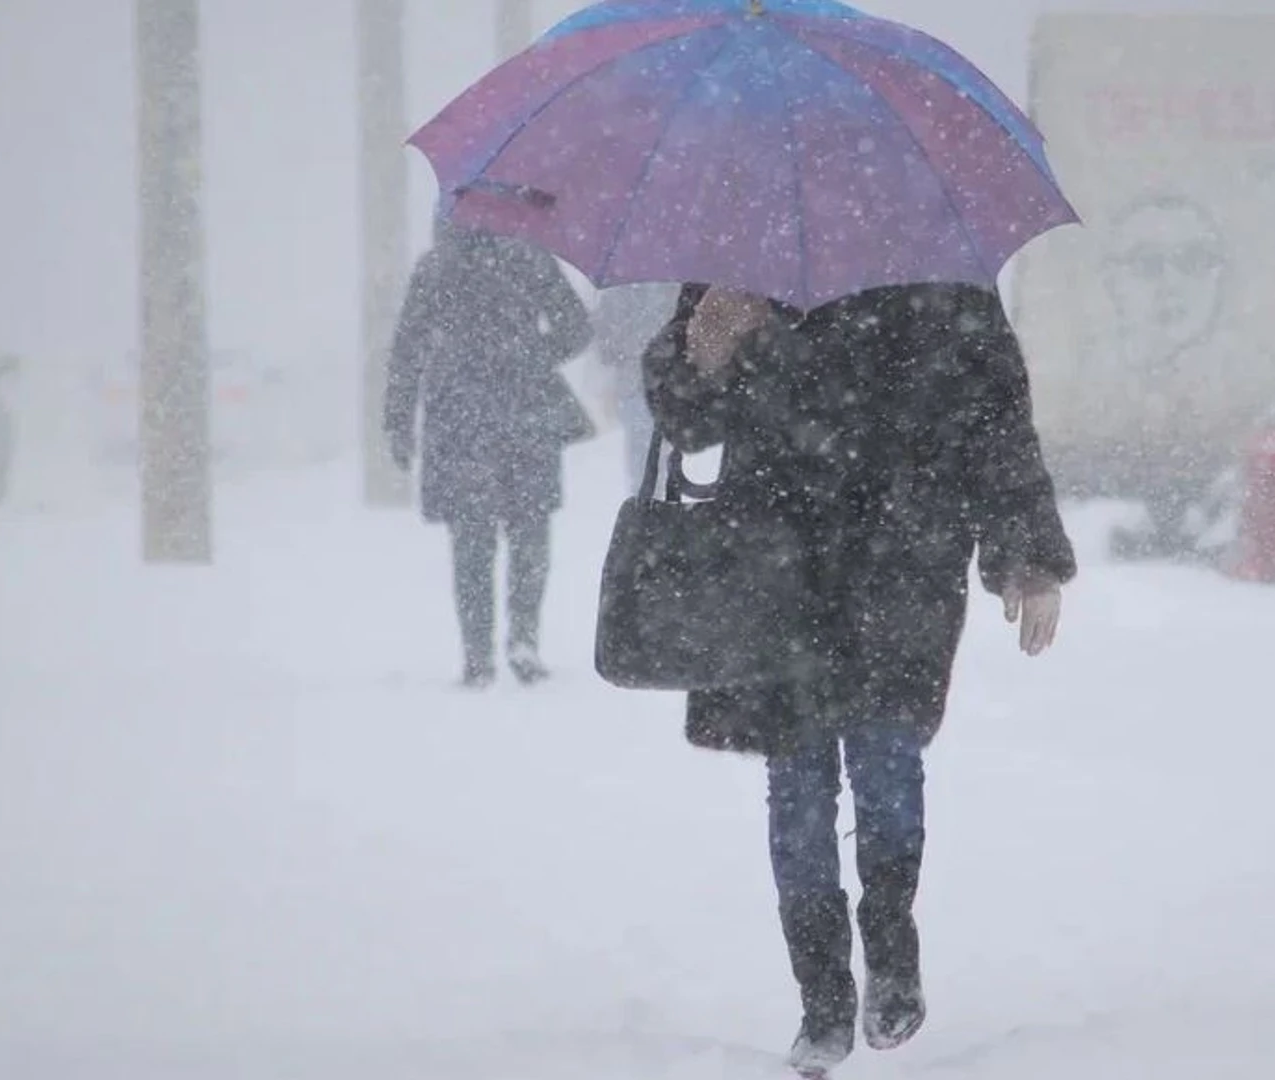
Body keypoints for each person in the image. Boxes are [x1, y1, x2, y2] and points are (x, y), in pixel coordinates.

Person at [641, 282, 1076, 1075]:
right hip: (773, 564)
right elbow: (686, 420)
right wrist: (701, 350)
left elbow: (995, 421)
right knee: (797, 783)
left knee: (887, 763)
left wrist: (1029, 554)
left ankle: (891, 949)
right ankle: (823, 1000)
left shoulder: (941, 268)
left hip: (902, 560)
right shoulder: (741, 257)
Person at [384, 220, 594, 687]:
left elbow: (407, 352)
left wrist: (398, 424)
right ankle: (524, 637)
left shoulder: (436, 266)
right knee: (530, 529)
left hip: (459, 418)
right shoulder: (531, 255)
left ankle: (477, 655)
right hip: (527, 410)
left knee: (471, 539)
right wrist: (532, 351)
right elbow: (577, 327)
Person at [591, 282, 681, 493]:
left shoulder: (619, 289)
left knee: (644, 455)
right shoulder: (673, 284)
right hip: (661, 381)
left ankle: (648, 503)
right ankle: (656, 501)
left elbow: (606, 345)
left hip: (638, 381)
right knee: (656, 452)